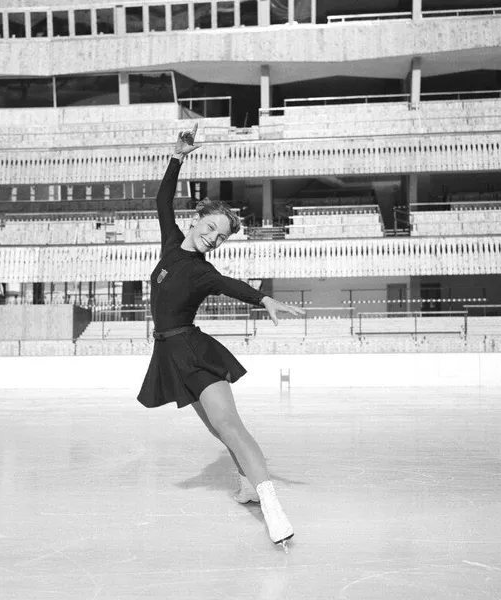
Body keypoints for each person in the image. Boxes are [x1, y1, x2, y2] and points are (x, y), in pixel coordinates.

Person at [137, 124, 305, 551]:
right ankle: (248, 486)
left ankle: (273, 508)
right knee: (218, 430)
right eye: (211, 229)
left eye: (221, 237)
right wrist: (178, 154)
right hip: (169, 355)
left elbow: (232, 285)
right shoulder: (172, 244)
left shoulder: (204, 272)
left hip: (194, 351)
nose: (213, 239)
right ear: (197, 221)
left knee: (230, 425)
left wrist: (263, 298)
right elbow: (161, 200)